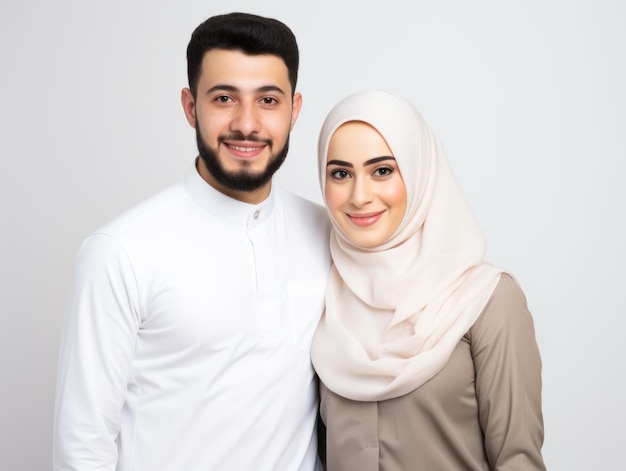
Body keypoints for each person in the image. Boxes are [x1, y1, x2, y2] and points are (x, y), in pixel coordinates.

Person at [53, 12, 331, 471]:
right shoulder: (120, 251)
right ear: (190, 106)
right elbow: (82, 444)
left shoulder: (327, 234)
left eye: (268, 100)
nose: (247, 123)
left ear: (294, 110)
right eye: (224, 98)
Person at [311, 89, 546, 470]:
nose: (359, 195)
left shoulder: (486, 299)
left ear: (420, 172)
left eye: (382, 171)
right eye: (340, 173)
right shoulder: (320, 295)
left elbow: (518, 460)